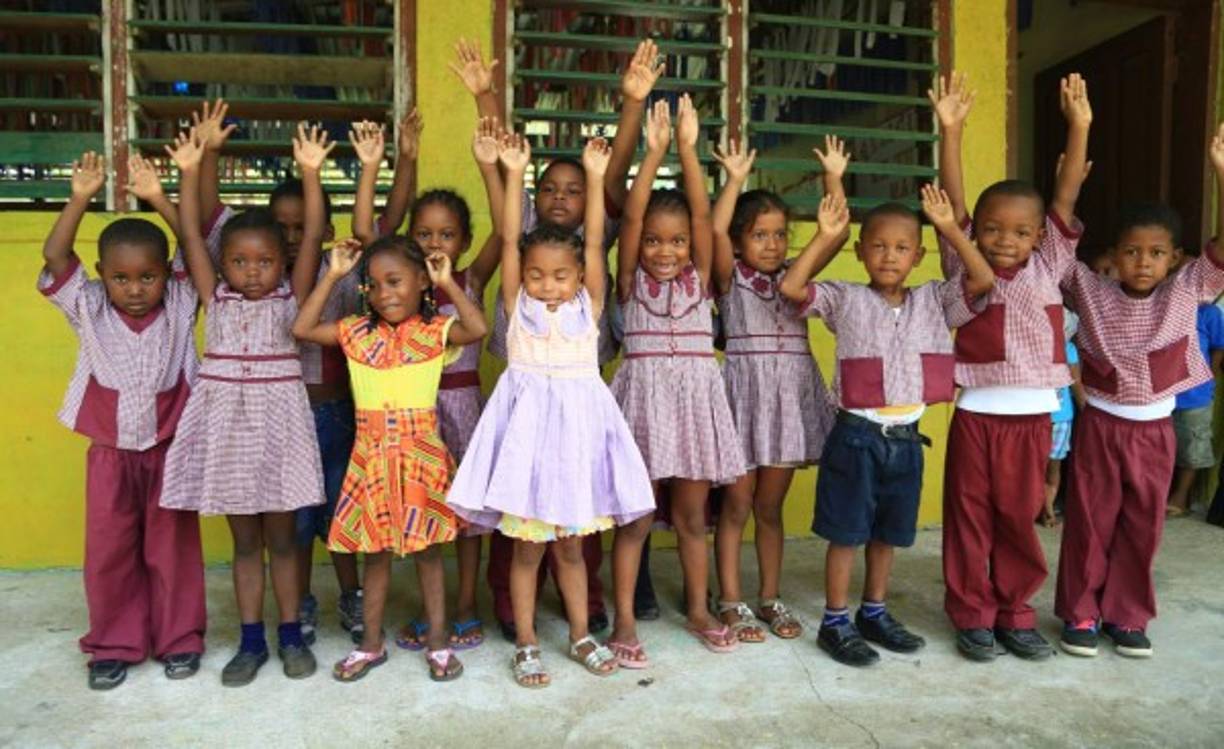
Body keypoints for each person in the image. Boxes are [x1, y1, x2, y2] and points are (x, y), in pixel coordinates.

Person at [447, 136, 654, 686]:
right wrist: (515, 174)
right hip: (527, 454)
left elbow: (591, 248)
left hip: (576, 450)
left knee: (571, 549)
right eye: (537, 275)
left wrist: (594, 173)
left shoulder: (590, 305)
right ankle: (527, 642)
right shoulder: (519, 309)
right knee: (524, 554)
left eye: (559, 276)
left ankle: (582, 635)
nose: (548, 284)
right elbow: (512, 241)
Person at [779, 186, 995, 666]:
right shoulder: (845, 297)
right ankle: (836, 620)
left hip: (906, 440)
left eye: (901, 248)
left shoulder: (935, 300)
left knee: (888, 534)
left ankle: (873, 611)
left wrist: (948, 230)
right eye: (877, 245)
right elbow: (793, 288)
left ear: (918, 256)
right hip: (856, 436)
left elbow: (981, 278)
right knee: (847, 532)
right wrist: (823, 236)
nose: (889, 256)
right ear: (860, 252)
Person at [160, 124, 332, 685]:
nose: (251, 272)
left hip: (280, 427)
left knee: (283, 539)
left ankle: (290, 635)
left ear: (281, 263)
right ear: (223, 263)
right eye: (239, 262)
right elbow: (189, 234)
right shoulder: (216, 297)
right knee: (245, 543)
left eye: (263, 262)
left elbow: (310, 240)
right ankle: (251, 640)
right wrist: (190, 171)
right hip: (230, 432)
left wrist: (310, 173)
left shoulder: (293, 294)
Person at [933, 72, 1088, 662]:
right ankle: (972, 612)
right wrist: (952, 131)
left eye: (1020, 231)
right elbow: (952, 199)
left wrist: (1080, 126)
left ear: (1040, 236)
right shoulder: (964, 256)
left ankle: (1015, 611)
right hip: (976, 415)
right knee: (969, 516)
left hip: (1032, 419)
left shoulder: (1049, 263)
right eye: (992, 228)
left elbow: (1066, 196)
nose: (1003, 240)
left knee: (1019, 518)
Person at [39, 152, 206, 690]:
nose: (135, 288)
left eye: (148, 276)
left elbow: (194, 249)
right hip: (109, 453)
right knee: (110, 552)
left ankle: (179, 639)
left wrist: (159, 198)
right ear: (101, 277)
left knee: (173, 550)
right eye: (121, 278)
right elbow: (55, 254)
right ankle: (113, 644)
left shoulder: (182, 300)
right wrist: (80, 197)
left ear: (166, 275)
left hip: (168, 448)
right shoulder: (86, 305)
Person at [1057, 121, 1224, 658]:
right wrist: (1074, 161)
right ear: (1114, 253)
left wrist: (1222, 173)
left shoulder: (1188, 289)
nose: (1143, 262)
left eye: (1156, 253)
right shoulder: (1090, 288)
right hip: (1101, 427)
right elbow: (1058, 240)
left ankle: (1127, 615)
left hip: (1155, 431)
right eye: (1132, 252)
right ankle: (1081, 614)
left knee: (1142, 526)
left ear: (1175, 258)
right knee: (1089, 521)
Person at [293, 233, 489, 682]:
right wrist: (335, 274)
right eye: (374, 285)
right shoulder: (356, 333)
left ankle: (439, 644)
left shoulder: (434, 330)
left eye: (396, 281)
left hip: (421, 456)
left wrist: (449, 284)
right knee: (375, 556)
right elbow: (303, 329)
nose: (385, 294)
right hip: (371, 458)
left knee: (429, 556)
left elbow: (476, 329)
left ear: (422, 280)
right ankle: (370, 644)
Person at [351, 116, 505, 652]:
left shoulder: (470, 280)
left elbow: (508, 232)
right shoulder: (401, 286)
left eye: (447, 234)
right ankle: (430, 612)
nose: (435, 241)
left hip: (460, 408)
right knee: (422, 522)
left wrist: (491, 167)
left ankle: (464, 607)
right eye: (424, 233)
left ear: (463, 240)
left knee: (463, 517)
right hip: (410, 418)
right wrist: (395, 161)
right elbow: (368, 235)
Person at [610, 96, 746, 654]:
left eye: (678, 241)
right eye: (653, 241)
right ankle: (623, 621)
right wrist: (655, 151)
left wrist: (689, 152)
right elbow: (635, 212)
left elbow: (702, 217)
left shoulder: (705, 280)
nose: (664, 250)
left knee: (693, 517)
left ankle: (696, 608)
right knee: (635, 520)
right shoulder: (627, 282)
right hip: (641, 404)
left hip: (694, 405)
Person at [706, 137, 844, 642]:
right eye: (760, 235)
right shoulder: (728, 279)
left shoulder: (796, 277)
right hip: (743, 400)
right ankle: (730, 599)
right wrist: (735, 179)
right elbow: (714, 229)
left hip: (787, 402)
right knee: (736, 506)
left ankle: (768, 596)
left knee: (768, 508)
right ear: (741, 242)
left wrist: (833, 178)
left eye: (780, 234)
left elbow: (834, 232)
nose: (773, 244)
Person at [1166, 301, 1224, 517]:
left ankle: (1180, 496)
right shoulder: (1162, 305)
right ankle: (1161, 493)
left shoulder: (1208, 312)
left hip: (1195, 394)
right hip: (1160, 393)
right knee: (1160, 447)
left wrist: (1209, 376)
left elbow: (1218, 347)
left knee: (1192, 447)